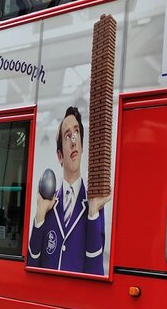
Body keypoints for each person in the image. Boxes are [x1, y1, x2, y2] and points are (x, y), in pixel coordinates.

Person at [28, 106, 108, 274]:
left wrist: (93, 212)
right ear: (60, 156)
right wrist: (39, 217)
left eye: (76, 133)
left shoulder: (93, 205)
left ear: (82, 145)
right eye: (67, 136)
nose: (73, 140)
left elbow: (95, 272)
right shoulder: (49, 204)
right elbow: (32, 265)